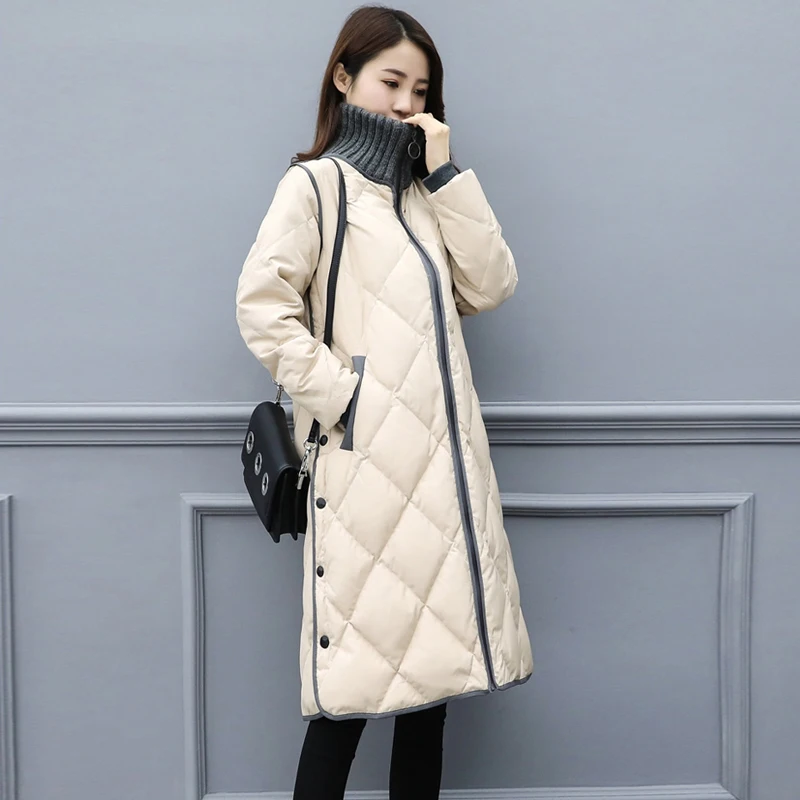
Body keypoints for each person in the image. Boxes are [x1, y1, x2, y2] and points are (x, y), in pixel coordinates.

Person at [235, 5, 534, 798]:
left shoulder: (424, 196)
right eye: (390, 81)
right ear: (344, 78)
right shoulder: (315, 186)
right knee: (349, 700)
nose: (406, 103)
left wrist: (445, 176)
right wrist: (347, 398)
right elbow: (263, 309)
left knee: (431, 692)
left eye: (420, 90)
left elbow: (491, 286)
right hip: (365, 475)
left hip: (441, 481)